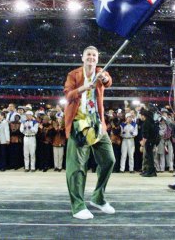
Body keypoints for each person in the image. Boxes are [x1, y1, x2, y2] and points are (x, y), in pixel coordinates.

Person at [63, 45, 115, 220]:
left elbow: (108, 81)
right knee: (77, 167)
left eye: (94, 55)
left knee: (109, 160)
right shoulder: (74, 75)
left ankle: (98, 198)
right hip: (78, 124)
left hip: (97, 124)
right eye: (88, 55)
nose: (91, 57)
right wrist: (82, 88)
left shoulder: (101, 73)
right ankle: (78, 206)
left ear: (97, 59)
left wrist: (104, 78)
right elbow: (68, 95)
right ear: (83, 58)